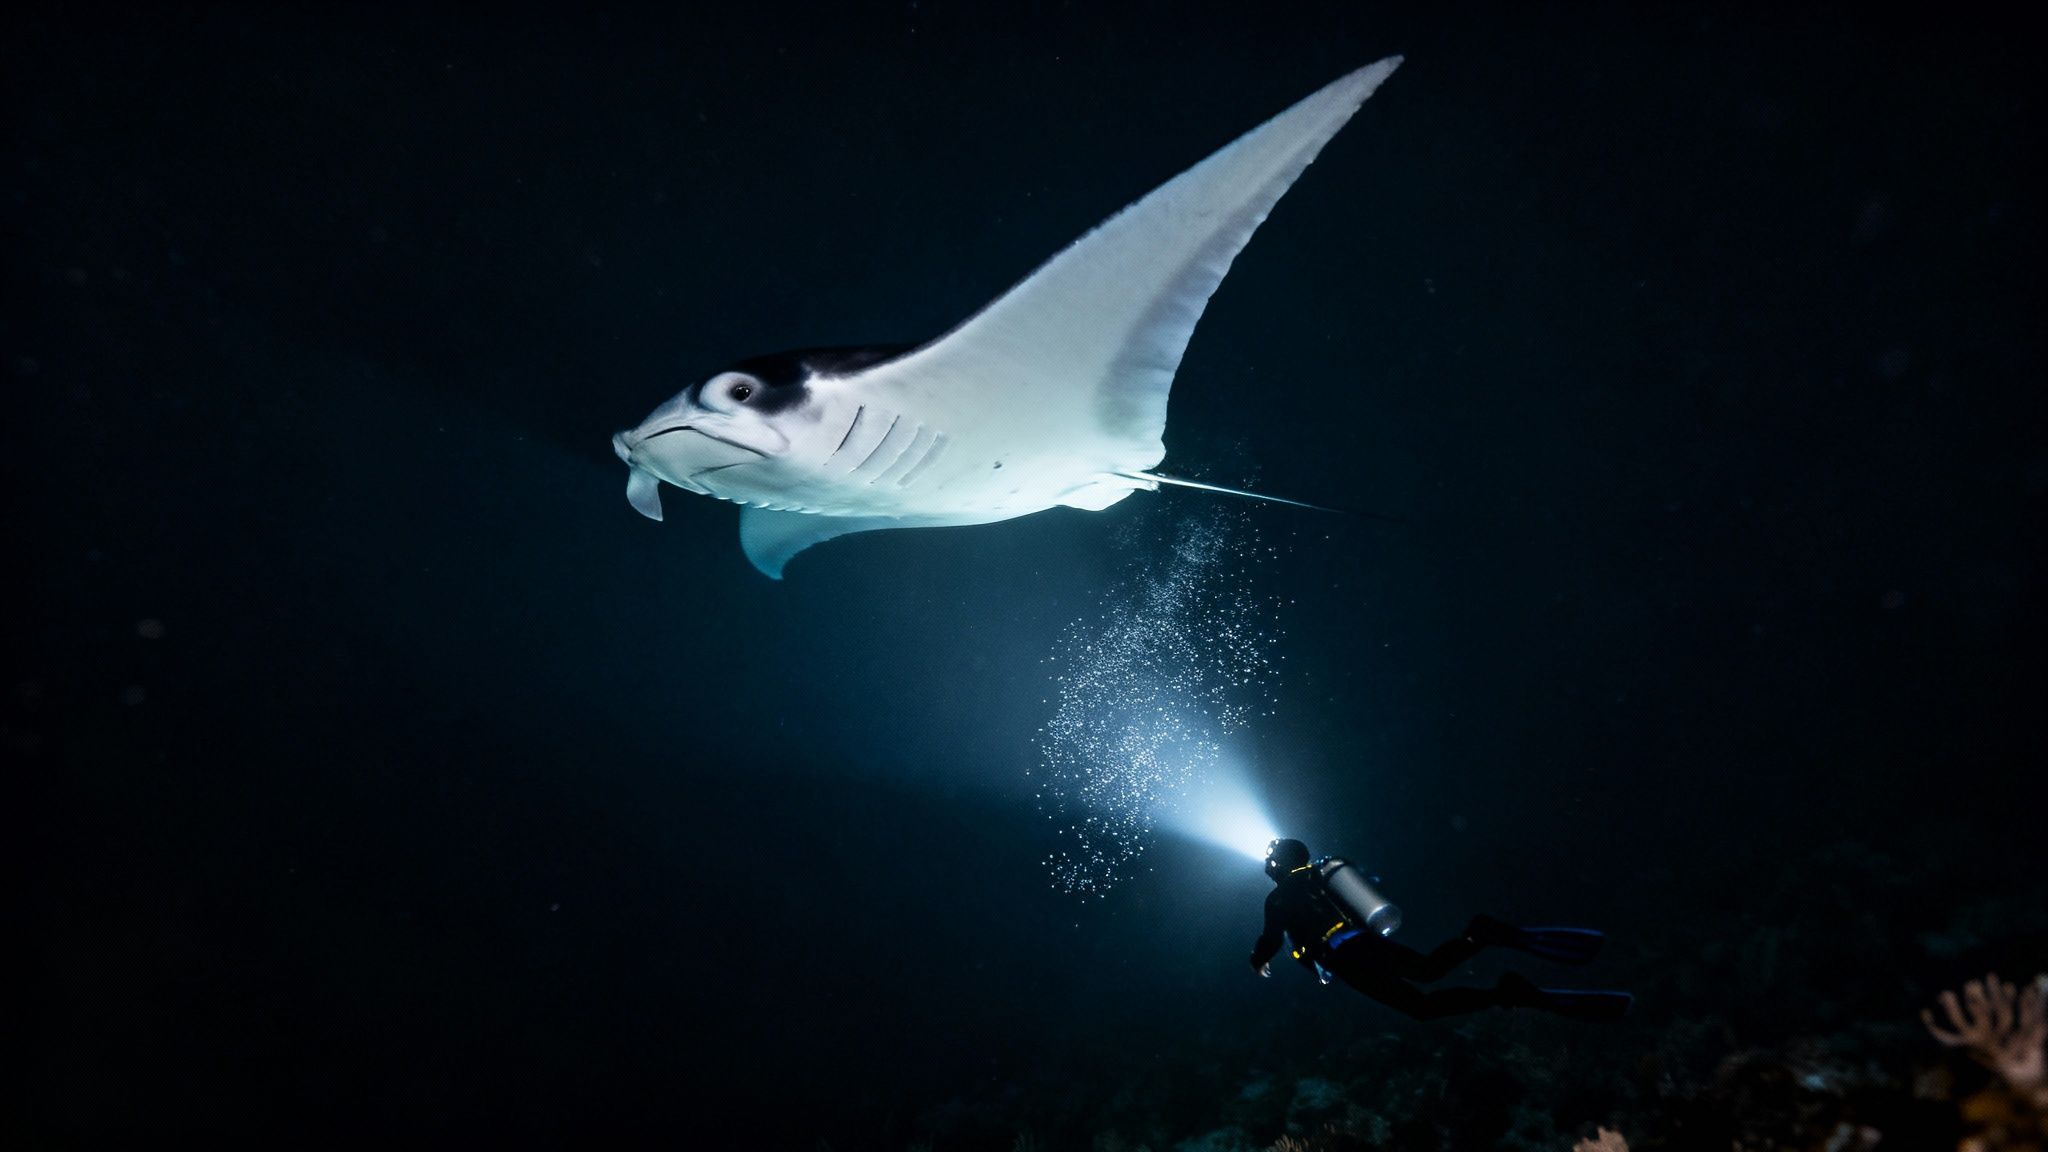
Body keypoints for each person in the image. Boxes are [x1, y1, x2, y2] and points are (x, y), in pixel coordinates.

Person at [1249, 838, 1632, 1021]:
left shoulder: (1279, 898)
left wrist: (1258, 960)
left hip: (1346, 956)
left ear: (1278, 865)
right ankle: (1480, 938)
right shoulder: (1324, 872)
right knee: (1428, 970)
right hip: (1362, 941)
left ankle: (1503, 987)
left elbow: (1270, 938)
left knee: (1422, 1006)